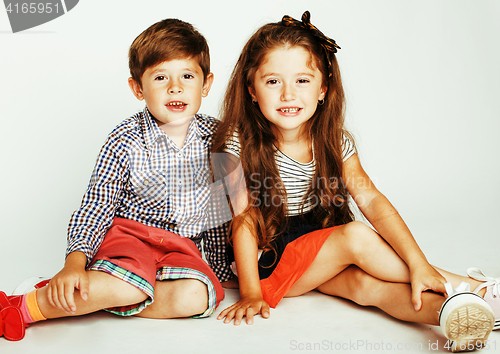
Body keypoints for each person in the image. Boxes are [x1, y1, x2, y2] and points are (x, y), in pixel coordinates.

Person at [211, 11, 499, 352]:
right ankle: (471, 287)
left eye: (302, 80)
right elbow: (242, 220)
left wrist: (418, 261)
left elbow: (372, 201)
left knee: (366, 288)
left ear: (323, 89)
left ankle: (456, 313)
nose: (288, 94)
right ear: (252, 90)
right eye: (273, 81)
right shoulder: (233, 141)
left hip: (319, 251)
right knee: (356, 236)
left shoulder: (335, 140)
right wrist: (251, 292)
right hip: (269, 260)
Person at [0, 18, 233, 342]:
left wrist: (222, 268)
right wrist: (75, 263)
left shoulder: (217, 138)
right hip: (129, 237)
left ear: (206, 84)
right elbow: (97, 205)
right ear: (138, 88)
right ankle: (25, 306)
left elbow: (220, 213)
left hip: (179, 247)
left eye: (187, 76)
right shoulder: (124, 138)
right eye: (161, 77)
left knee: (200, 297)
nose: (175, 87)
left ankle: (92, 299)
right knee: (129, 281)